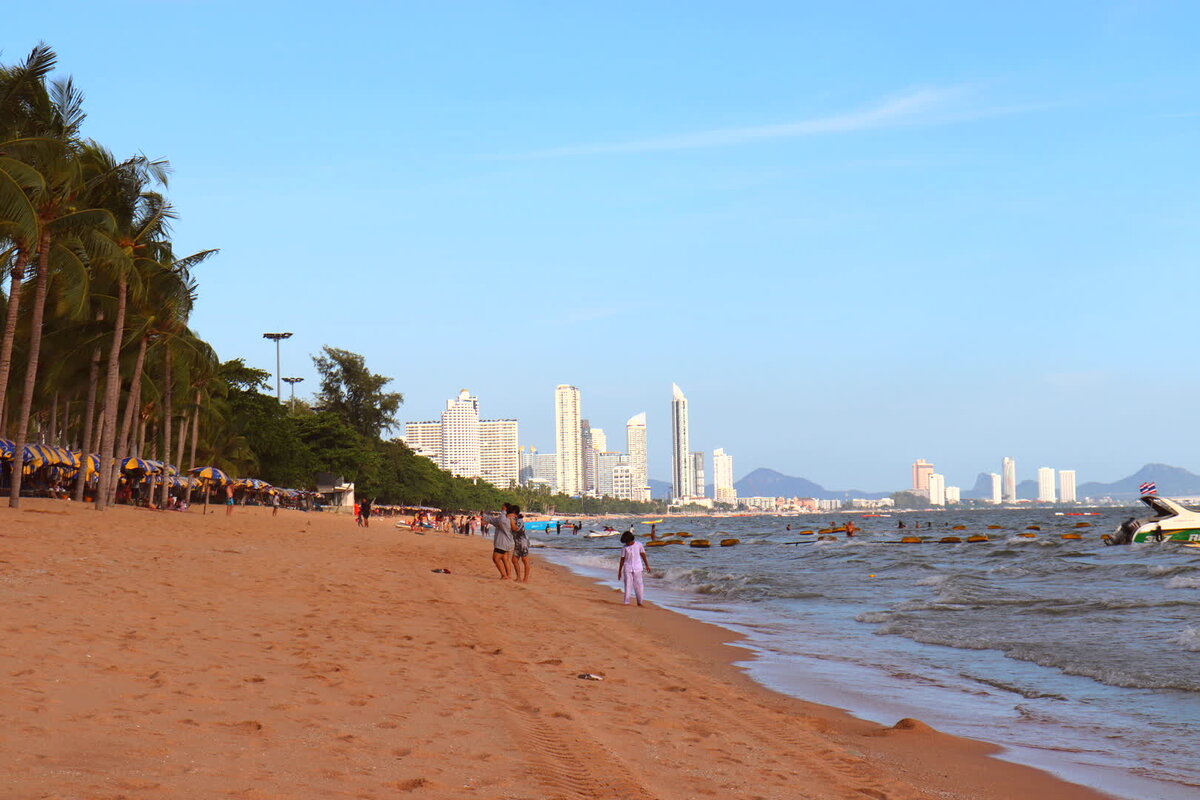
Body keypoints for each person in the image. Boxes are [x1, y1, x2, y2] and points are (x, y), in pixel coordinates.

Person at [482, 503, 515, 579]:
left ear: (505, 508)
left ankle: (504, 575)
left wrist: (503, 511)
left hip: (502, 543)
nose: (501, 507)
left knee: (496, 558)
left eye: (503, 506)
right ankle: (508, 576)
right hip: (507, 542)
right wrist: (484, 516)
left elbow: (500, 521)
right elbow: (493, 520)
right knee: (505, 559)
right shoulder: (506, 518)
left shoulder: (505, 518)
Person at [618, 530, 650, 607]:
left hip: (638, 567)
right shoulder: (624, 548)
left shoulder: (639, 545)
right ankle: (627, 602)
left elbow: (643, 555)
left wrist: (647, 565)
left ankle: (640, 602)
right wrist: (619, 571)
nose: (626, 544)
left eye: (627, 542)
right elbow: (622, 559)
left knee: (638, 585)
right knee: (628, 585)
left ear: (631, 540)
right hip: (627, 568)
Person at [510, 505, 530, 583]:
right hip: (517, 542)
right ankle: (518, 577)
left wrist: (511, 519)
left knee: (525, 560)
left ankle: (526, 579)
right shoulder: (515, 520)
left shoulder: (520, 520)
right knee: (514, 560)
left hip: (523, 542)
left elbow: (515, 528)